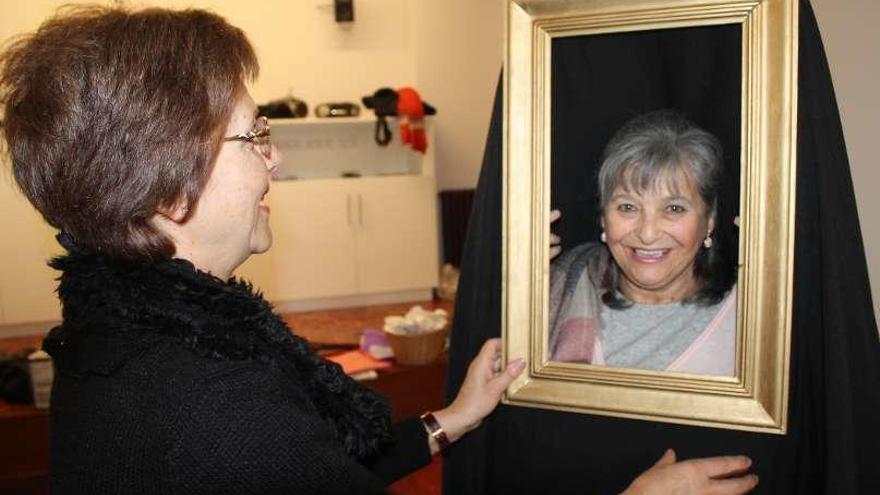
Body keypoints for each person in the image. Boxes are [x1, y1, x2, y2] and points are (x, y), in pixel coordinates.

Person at [0, 6, 754, 494]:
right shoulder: (213, 405)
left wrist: (449, 419)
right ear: (169, 188)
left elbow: (317, 468)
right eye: (254, 136)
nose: (277, 161)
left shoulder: (118, 337)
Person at [549, 110, 738, 376]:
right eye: (628, 207)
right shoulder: (555, 288)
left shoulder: (752, 310)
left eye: (674, 208)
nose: (647, 234)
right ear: (604, 217)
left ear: (709, 220)